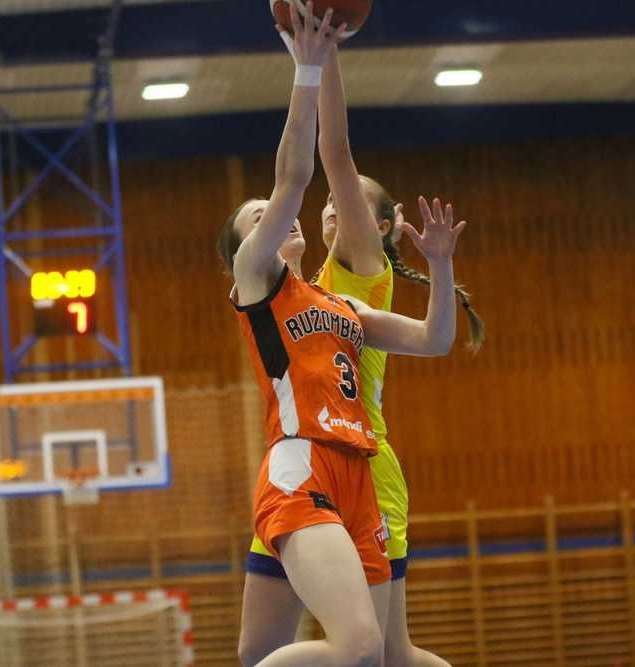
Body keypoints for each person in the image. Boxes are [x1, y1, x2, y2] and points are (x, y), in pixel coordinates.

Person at [217, 5, 468, 664]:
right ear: (248, 247)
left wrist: (442, 267)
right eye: (259, 219)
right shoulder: (259, 278)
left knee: (356, 653)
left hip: (358, 467)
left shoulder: (342, 296)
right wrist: (308, 67)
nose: (309, 211)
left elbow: (434, 340)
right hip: (304, 458)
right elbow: (300, 173)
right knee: (360, 648)